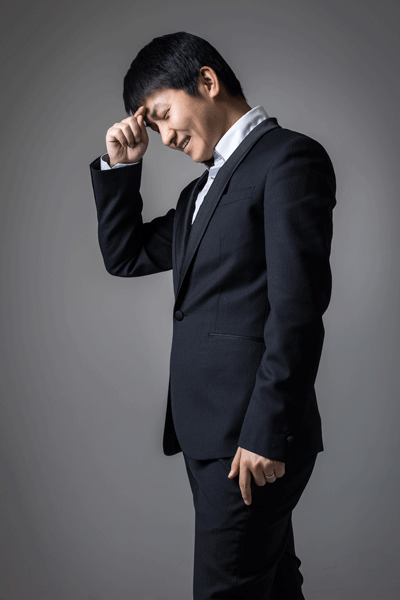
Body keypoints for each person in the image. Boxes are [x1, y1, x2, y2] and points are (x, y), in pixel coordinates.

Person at [90, 31, 336, 600]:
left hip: (250, 442)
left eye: (163, 115)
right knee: (272, 588)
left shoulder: (289, 160)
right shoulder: (196, 198)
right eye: (153, 127)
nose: (165, 137)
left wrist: (267, 431)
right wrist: (121, 167)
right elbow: (125, 256)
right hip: (208, 437)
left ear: (206, 81)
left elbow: (297, 311)